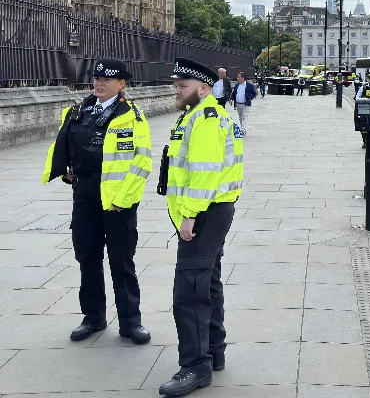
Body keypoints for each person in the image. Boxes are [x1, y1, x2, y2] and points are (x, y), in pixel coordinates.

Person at [42, 58, 152, 345]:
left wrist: (123, 199)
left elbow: (141, 162)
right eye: (96, 78)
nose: (98, 83)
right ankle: (93, 317)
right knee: (87, 257)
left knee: (121, 261)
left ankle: (131, 322)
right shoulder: (80, 110)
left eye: (106, 80)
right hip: (86, 193)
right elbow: (64, 143)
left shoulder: (132, 115)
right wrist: (66, 170)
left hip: (117, 199)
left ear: (121, 84)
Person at [158, 58, 244, 397]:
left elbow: (204, 171)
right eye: (177, 85)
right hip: (213, 211)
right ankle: (214, 351)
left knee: (189, 292)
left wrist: (189, 215)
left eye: (183, 86)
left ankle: (195, 366)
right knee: (207, 282)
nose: (177, 90)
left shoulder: (205, 118)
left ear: (203, 88)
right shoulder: (200, 114)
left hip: (204, 213)